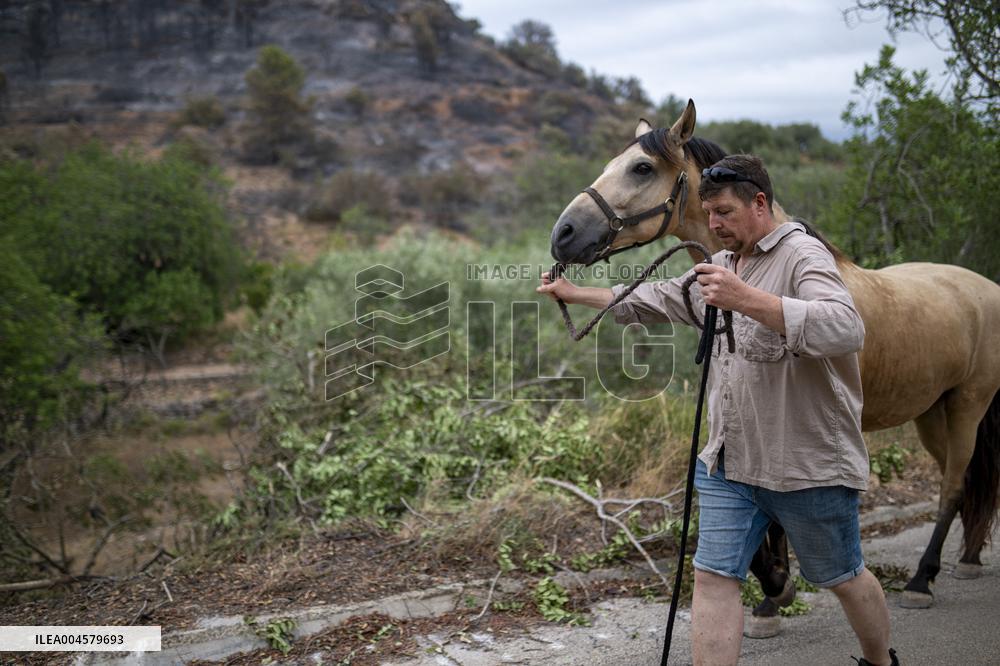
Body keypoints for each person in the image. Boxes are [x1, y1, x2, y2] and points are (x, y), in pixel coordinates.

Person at [536, 154, 898, 666]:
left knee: (842, 576)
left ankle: (880, 661)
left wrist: (748, 300)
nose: (715, 225)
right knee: (712, 575)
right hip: (729, 460)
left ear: (759, 203)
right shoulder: (725, 263)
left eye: (725, 212)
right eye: (708, 215)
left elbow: (845, 328)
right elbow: (662, 299)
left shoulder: (802, 256)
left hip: (805, 463)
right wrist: (576, 293)